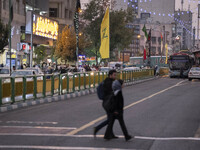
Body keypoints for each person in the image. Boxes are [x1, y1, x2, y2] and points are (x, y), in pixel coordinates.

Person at [93, 70, 117, 138]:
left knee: (110, 118)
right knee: (111, 119)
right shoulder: (108, 83)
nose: (115, 76)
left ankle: (111, 134)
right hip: (108, 103)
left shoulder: (109, 81)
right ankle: (97, 128)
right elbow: (110, 94)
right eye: (114, 75)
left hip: (107, 103)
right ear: (110, 75)